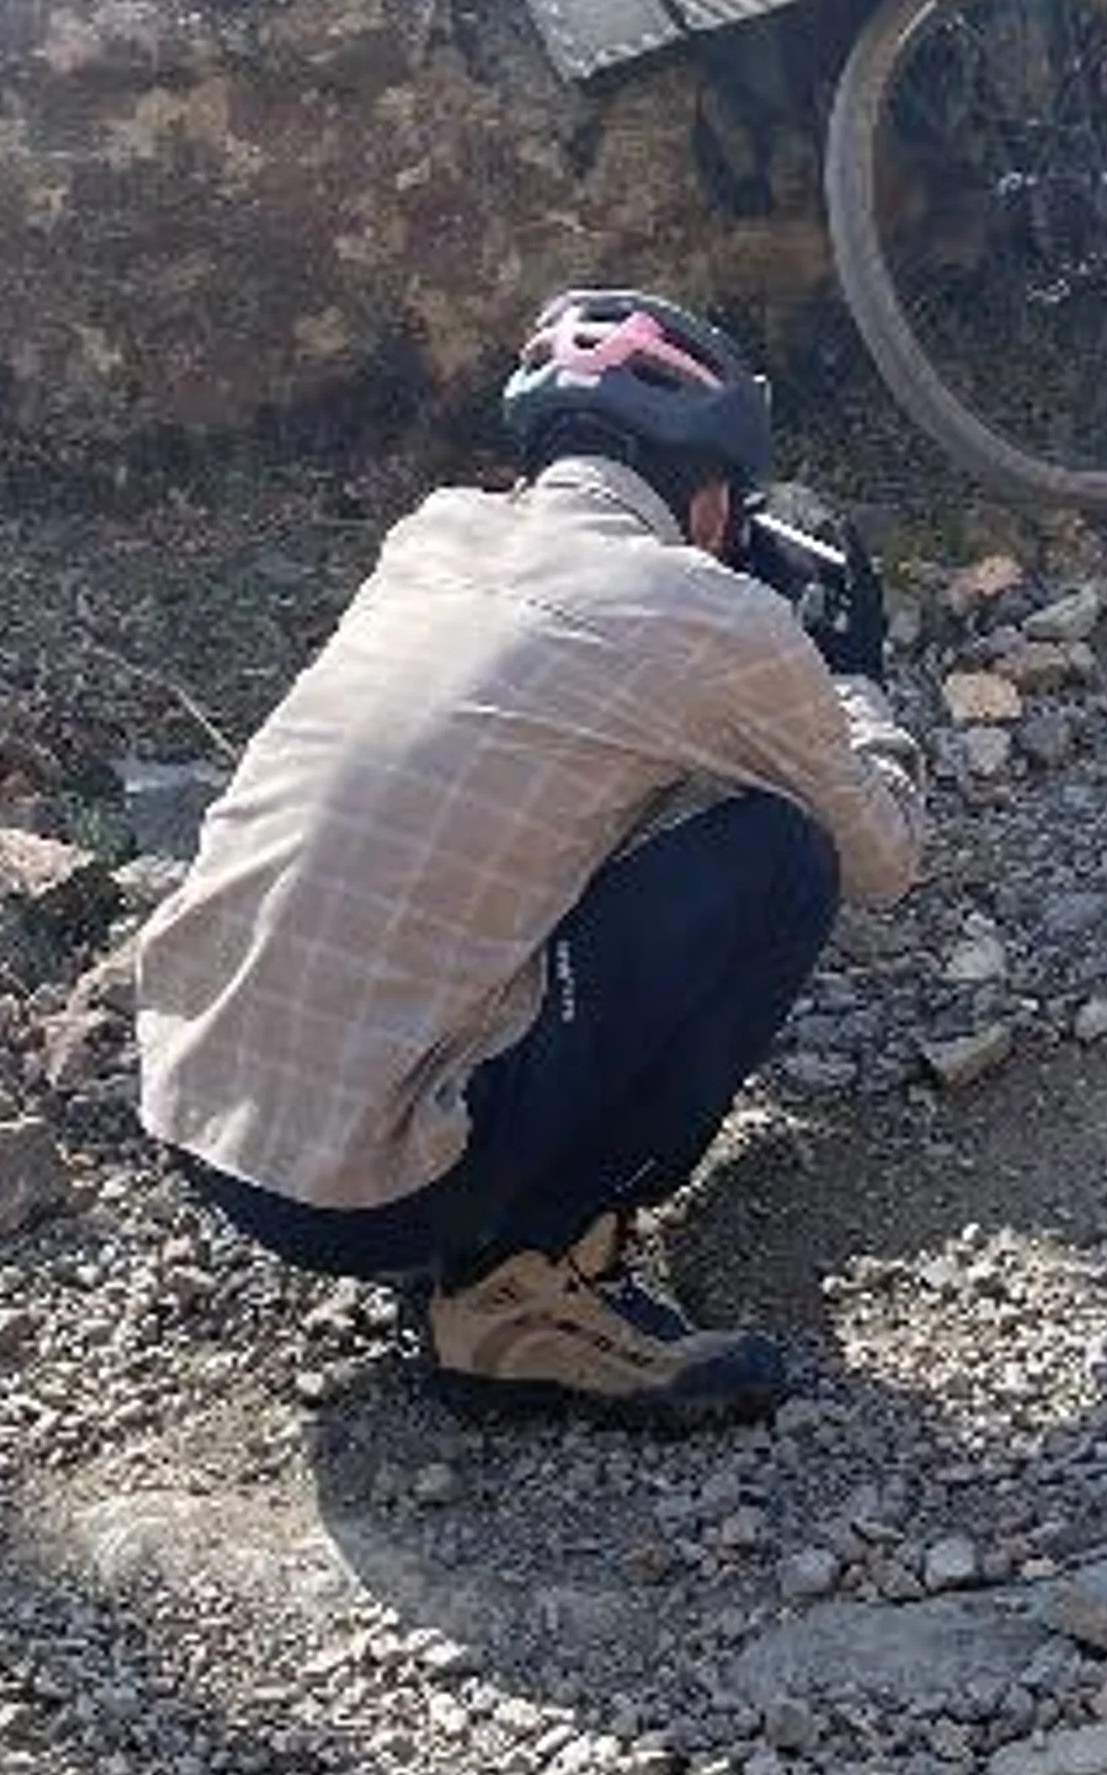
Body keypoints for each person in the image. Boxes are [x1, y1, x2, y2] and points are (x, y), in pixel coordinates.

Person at [136, 289, 922, 1425]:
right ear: (712, 502)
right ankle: (523, 1283)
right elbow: (882, 857)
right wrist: (849, 676)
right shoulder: (717, 617)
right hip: (363, 1196)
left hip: (199, 1113)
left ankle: (455, 1184)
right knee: (781, 857)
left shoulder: (433, 536)